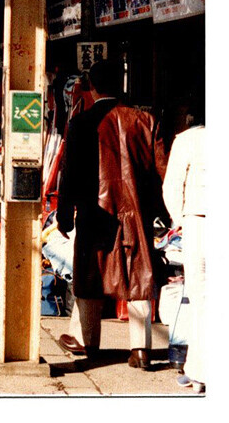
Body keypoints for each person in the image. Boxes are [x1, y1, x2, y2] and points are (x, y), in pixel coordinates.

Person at [56, 60, 168, 368]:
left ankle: (87, 341)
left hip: (95, 213)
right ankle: (141, 349)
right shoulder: (146, 121)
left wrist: (64, 213)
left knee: (90, 276)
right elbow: (162, 174)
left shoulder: (80, 122)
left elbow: (71, 175)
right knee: (138, 279)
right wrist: (164, 215)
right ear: (123, 85)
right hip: (136, 215)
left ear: (91, 87)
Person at [162, 122, 205, 393]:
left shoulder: (188, 139)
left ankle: (199, 372)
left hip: (198, 221)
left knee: (201, 299)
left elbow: (172, 186)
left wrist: (179, 220)